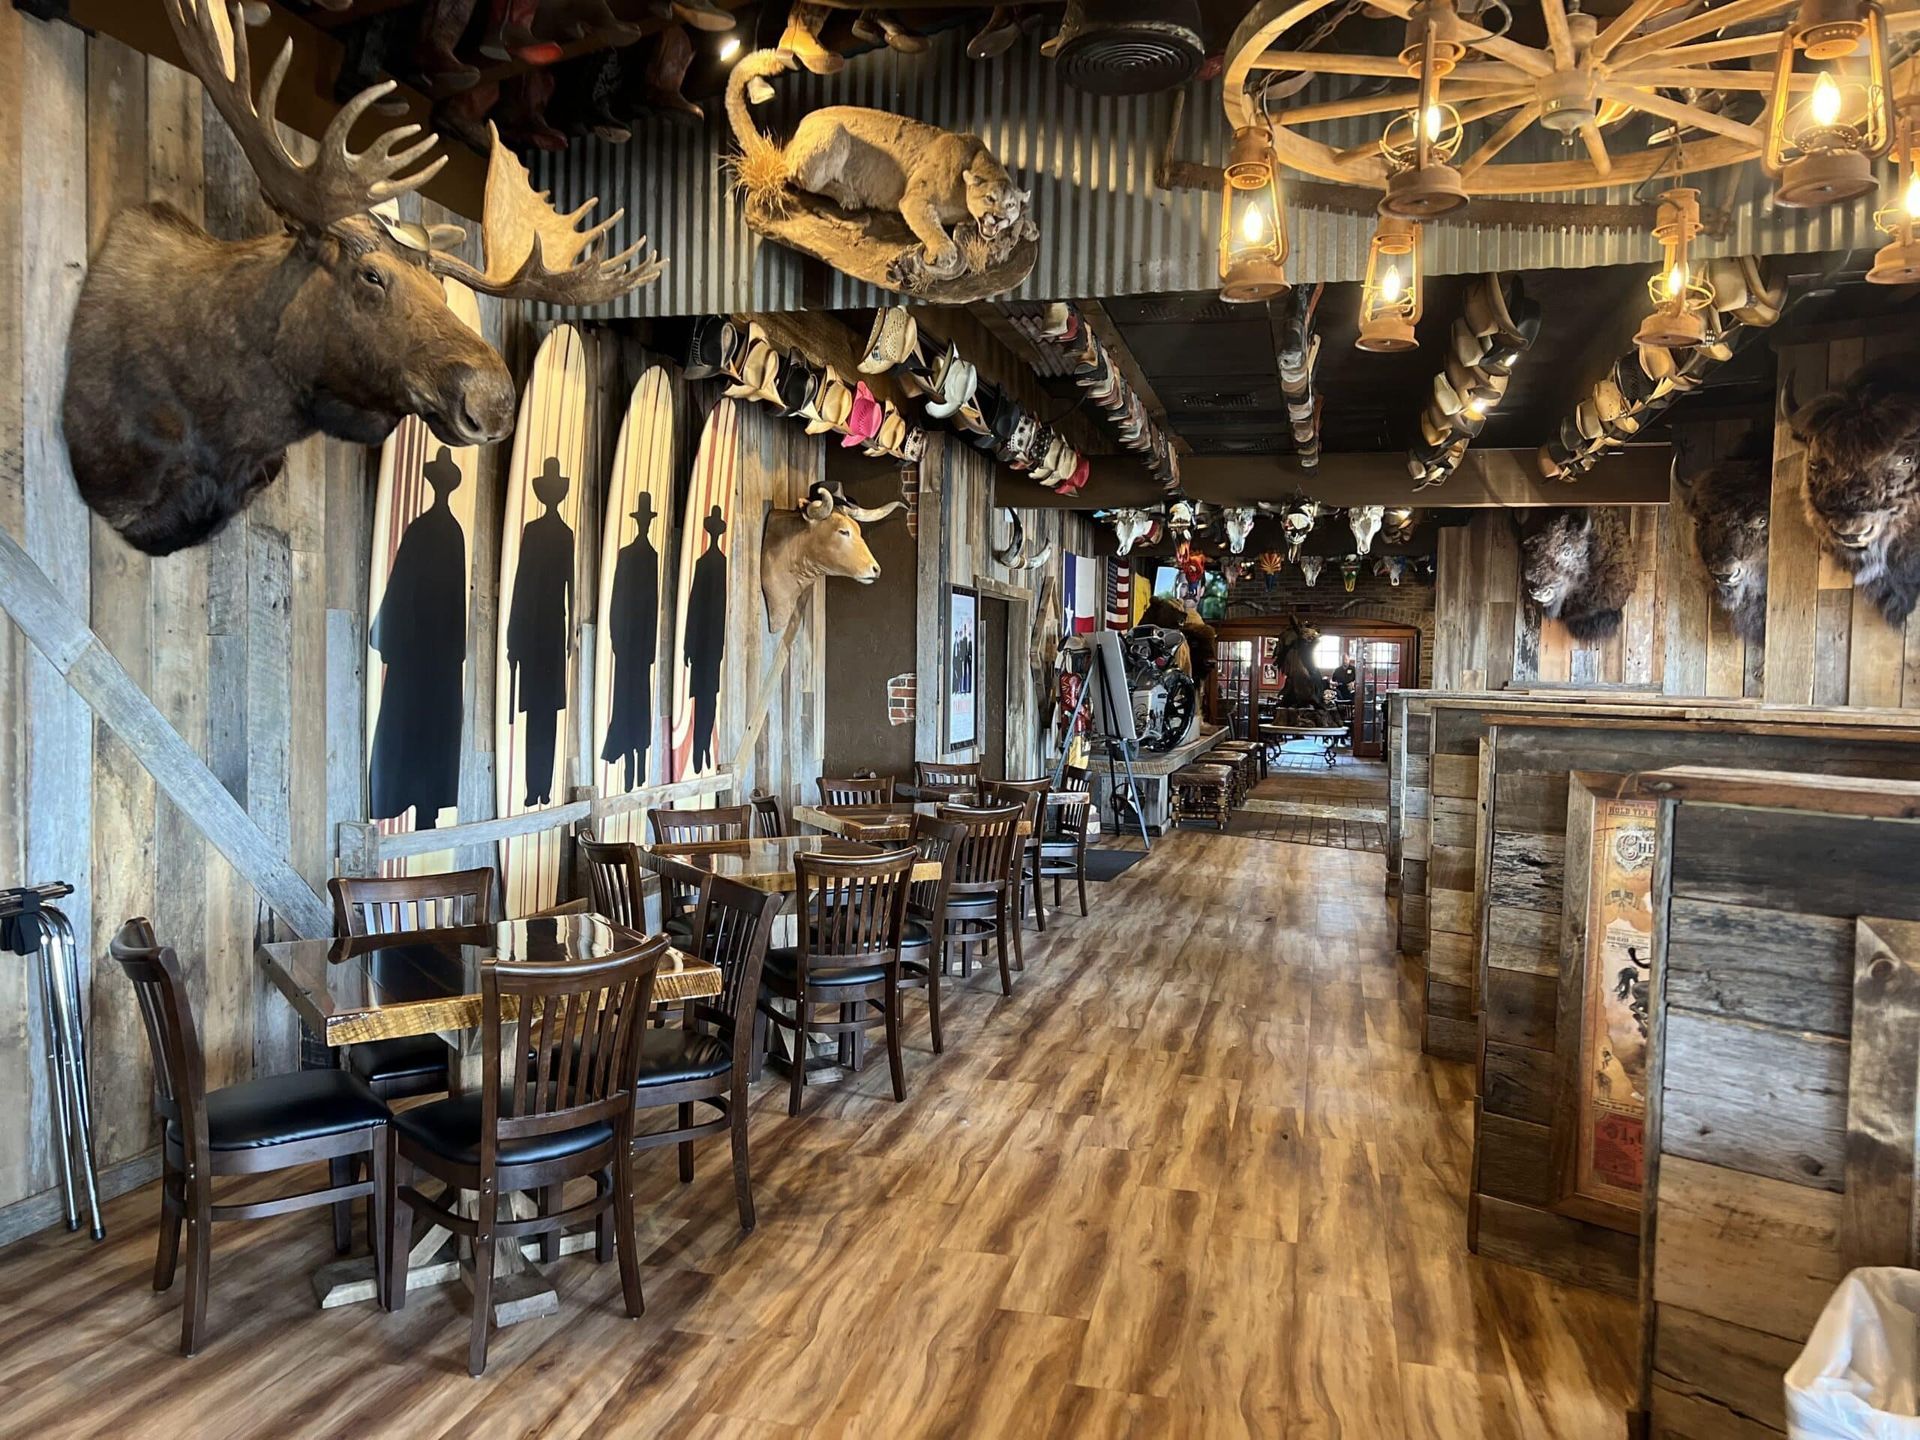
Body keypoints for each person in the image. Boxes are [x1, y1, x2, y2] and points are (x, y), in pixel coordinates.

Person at [369, 445, 467, 828]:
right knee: (428, 727)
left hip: (419, 651)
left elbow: (402, 587)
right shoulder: (450, 532)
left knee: (414, 725)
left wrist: (390, 635)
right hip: (436, 655)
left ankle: (417, 801)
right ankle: (424, 805)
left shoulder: (425, 529)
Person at [507, 457, 573, 807]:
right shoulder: (538, 532)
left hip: (546, 630)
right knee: (539, 713)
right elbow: (521, 582)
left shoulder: (564, 534)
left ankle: (541, 787)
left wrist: (570, 635)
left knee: (542, 713)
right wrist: (515, 635)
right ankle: (537, 787)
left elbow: (572, 585)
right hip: (539, 629)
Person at [599, 492, 660, 791]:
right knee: (627, 699)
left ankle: (636, 762)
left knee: (636, 700)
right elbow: (616, 600)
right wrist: (616, 636)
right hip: (628, 641)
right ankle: (629, 762)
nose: (645, 527)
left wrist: (646, 646)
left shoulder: (651, 557)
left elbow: (653, 606)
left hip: (635, 643)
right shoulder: (629, 555)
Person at [683, 505, 729, 774]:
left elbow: (710, 608)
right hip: (706, 644)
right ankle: (700, 749)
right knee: (704, 696)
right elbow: (694, 606)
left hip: (709, 644)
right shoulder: (709, 564)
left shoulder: (716, 564)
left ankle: (703, 747)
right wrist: (691, 644)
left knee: (707, 696)